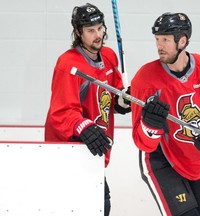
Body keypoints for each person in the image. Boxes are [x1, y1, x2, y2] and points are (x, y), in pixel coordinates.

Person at [131, 12, 200, 216]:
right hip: (163, 161)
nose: (159, 46)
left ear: (182, 41)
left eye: (165, 40)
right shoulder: (145, 80)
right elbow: (141, 142)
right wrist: (150, 125)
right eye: (157, 39)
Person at [44, 3, 130, 216]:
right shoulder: (68, 64)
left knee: (100, 205)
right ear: (78, 33)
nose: (98, 34)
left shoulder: (109, 56)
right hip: (70, 147)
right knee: (94, 204)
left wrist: (122, 101)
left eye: (100, 28)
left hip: (94, 146)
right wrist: (83, 125)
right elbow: (61, 111)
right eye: (91, 31)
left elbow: (111, 97)